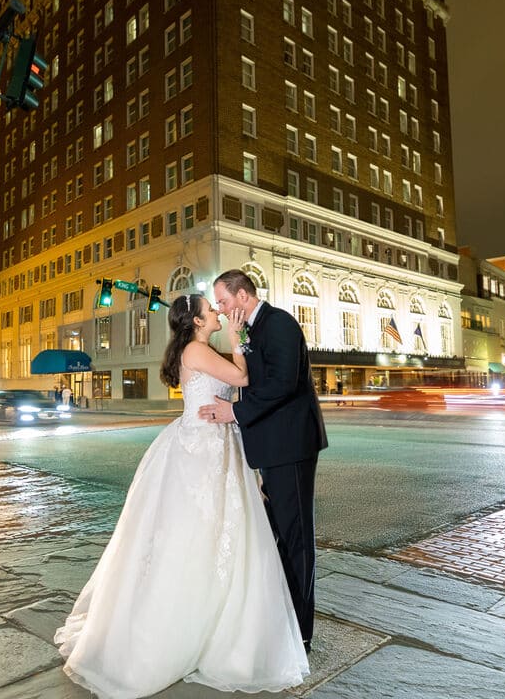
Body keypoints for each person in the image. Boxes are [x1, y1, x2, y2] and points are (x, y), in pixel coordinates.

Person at [55, 294, 308, 698]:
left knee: (215, 535)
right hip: (201, 449)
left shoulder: (198, 348)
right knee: (196, 534)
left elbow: (231, 389)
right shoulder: (196, 348)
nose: (216, 313)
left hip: (214, 443)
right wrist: (236, 337)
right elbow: (241, 380)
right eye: (210, 309)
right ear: (195, 320)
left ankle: (213, 620)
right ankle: (175, 630)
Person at [199, 269, 328, 654]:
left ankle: (301, 633)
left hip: (291, 445)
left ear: (242, 296)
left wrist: (234, 412)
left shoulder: (280, 323)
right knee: (278, 538)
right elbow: (251, 376)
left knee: (296, 539)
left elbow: (282, 384)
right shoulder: (252, 330)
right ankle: (283, 619)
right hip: (272, 447)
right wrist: (240, 340)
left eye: (222, 301)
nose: (220, 310)